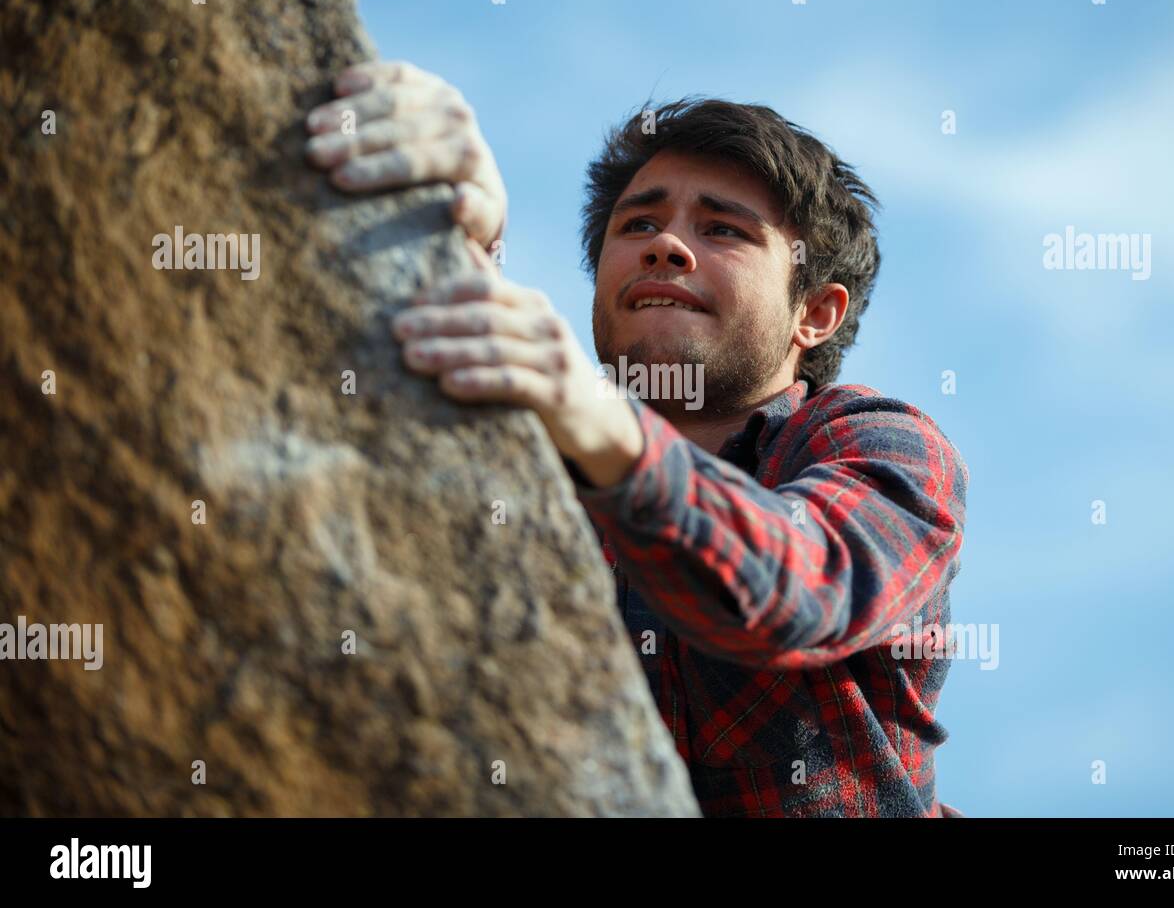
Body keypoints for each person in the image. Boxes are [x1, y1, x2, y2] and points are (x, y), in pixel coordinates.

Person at [305, 61, 970, 817]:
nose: (666, 247)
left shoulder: (876, 443)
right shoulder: (530, 459)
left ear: (814, 313)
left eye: (722, 229)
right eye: (638, 225)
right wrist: (445, 227)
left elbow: (802, 583)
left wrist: (603, 425)